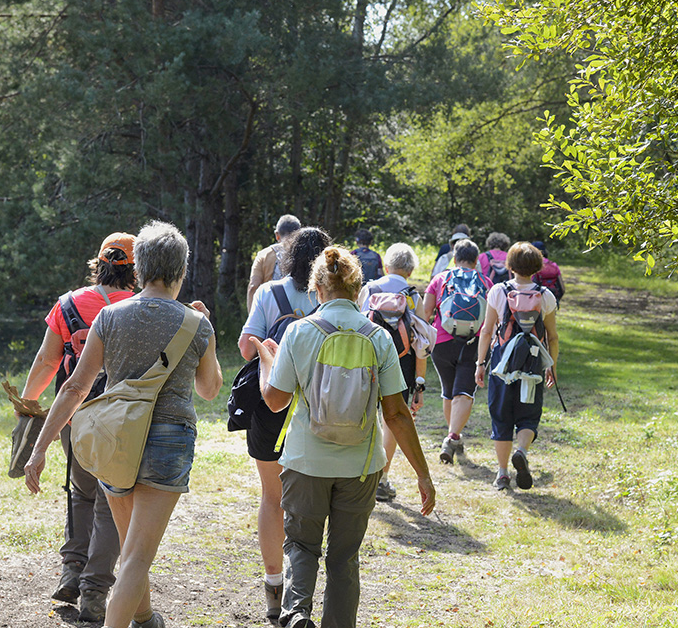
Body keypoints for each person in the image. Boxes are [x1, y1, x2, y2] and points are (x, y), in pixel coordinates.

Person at [24, 221, 223, 628]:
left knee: (133, 547)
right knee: (136, 556)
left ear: (141, 268)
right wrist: (210, 335)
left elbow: (75, 387)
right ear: (181, 270)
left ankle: (146, 618)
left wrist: (39, 448)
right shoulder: (196, 324)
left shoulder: (110, 316)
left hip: (116, 439)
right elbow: (209, 390)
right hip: (168, 442)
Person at [252, 246, 436, 628]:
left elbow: (274, 400)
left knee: (301, 546)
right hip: (360, 467)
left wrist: (267, 363)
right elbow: (397, 414)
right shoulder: (379, 338)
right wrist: (423, 474)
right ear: (358, 290)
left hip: (305, 462)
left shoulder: (299, 332)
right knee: (344, 558)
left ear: (317, 288)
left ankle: (296, 614)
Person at [17, 232, 137, 621]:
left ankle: (72, 570)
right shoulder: (142, 307)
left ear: (99, 264)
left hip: (75, 416)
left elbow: (46, 361)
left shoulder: (69, 304)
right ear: (136, 270)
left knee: (80, 492)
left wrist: (28, 404)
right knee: (110, 501)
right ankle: (94, 591)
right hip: (125, 421)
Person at [236, 227, 331, 626]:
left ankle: (274, 587)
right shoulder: (332, 297)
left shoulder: (269, 293)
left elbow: (246, 347)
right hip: (320, 407)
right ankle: (302, 592)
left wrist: (268, 350)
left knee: (272, 497)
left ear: (288, 258)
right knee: (312, 502)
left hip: (271, 405)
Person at [475, 242, 559, 491]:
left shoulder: (498, 291)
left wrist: (480, 363)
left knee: (501, 416)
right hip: (532, 360)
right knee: (528, 415)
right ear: (537, 267)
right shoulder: (546, 295)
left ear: (510, 266)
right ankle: (521, 450)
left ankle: (502, 474)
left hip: (503, 361)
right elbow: (552, 337)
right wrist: (551, 366)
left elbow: (487, 331)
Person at [357, 242, 426, 503]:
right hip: (402, 362)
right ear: (410, 270)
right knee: (393, 418)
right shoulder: (413, 296)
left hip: (367, 360)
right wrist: (419, 383)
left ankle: (360, 474)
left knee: (365, 415)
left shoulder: (369, 289)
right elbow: (421, 344)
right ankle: (382, 478)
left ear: (386, 266)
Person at [422, 238, 492, 463]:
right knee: (464, 392)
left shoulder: (440, 279)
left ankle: (454, 436)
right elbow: (493, 318)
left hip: (442, 342)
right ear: (476, 260)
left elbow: (425, 313)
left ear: (454, 258)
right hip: (474, 342)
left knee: (449, 391)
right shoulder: (486, 282)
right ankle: (452, 436)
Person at [247, 214, 302, 311]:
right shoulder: (304, 254)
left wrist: (252, 315)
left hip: (269, 310)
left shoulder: (263, 255)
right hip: (299, 311)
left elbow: (253, 286)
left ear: (277, 235)